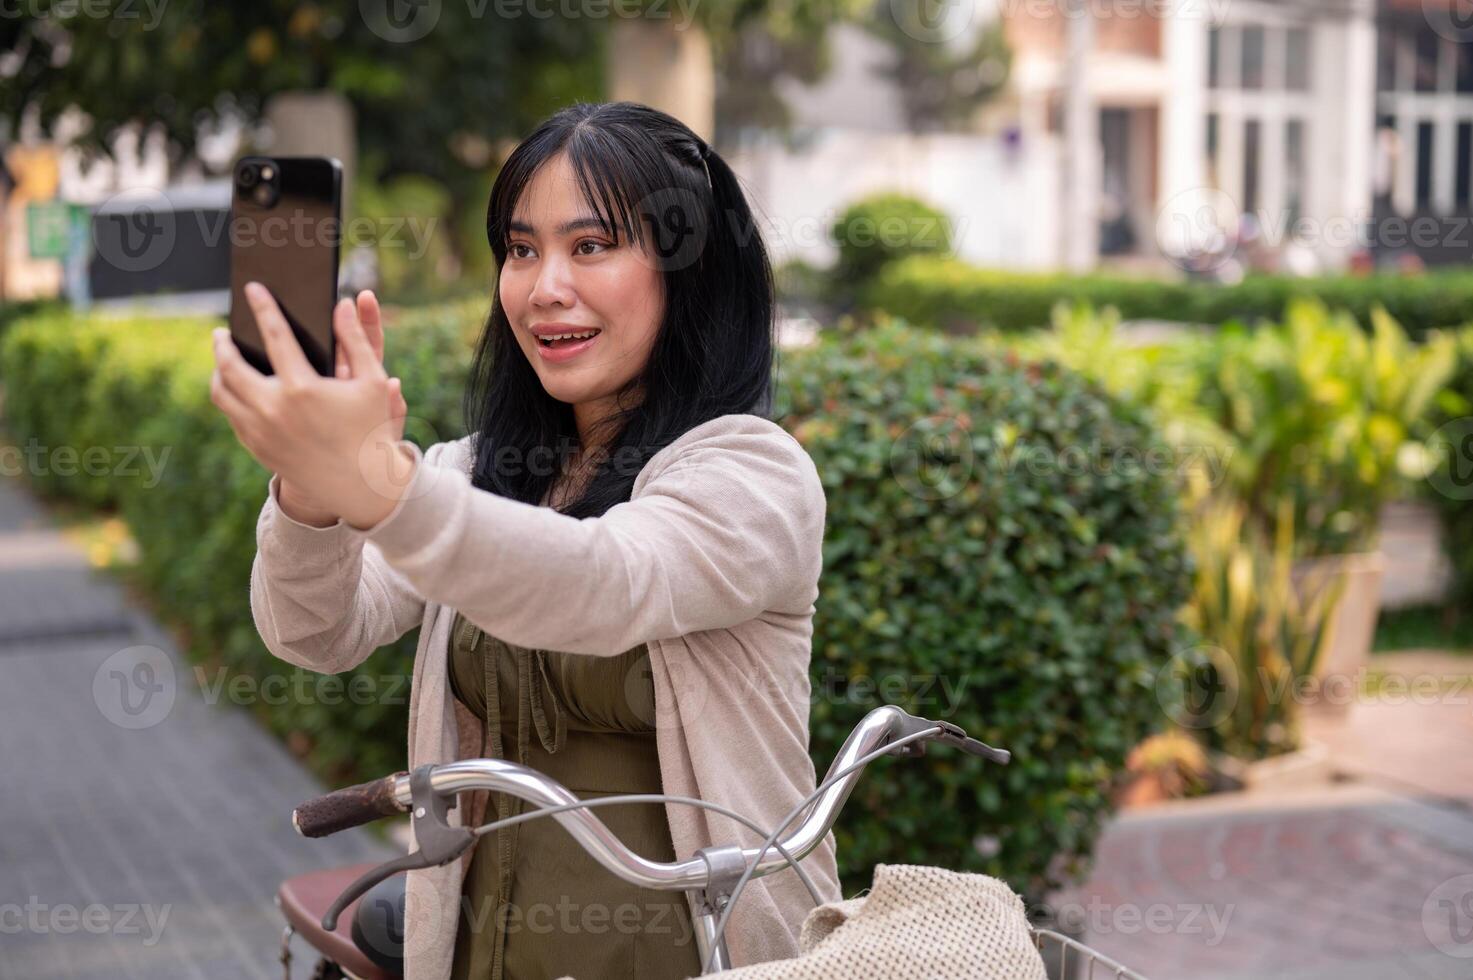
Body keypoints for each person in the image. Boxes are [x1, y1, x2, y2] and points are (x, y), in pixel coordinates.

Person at [209, 101, 841, 979]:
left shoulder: (749, 474)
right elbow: (317, 631)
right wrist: (315, 491)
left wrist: (383, 489)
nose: (543, 287)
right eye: (520, 248)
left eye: (589, 246)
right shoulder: (478, 469)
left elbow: (605, 584)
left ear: (689, 269)